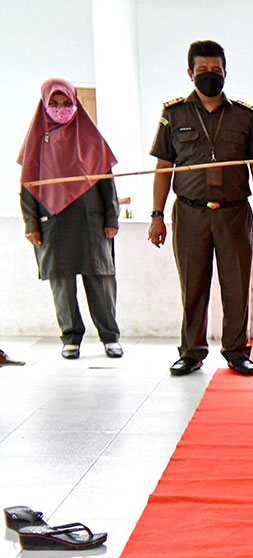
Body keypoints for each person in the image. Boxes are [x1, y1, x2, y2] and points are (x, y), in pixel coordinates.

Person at [148, 40, 253, 377]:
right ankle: (191, 352)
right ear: (190, 73)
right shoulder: (174, 114)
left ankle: (237, 351)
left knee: (236, 286)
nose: (209, 75)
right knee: (193, 286)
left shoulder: (244, 116)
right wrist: (156, 216)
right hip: (190, 213)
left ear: (225, 73)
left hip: (235, 213)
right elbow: (163, 168)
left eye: (216, 70)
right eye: (202, 70)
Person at [18, 78, 122, 361]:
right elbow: (27, 185)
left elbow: (107, 182)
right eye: (54, 103)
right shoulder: (36, 140)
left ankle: (110, 337)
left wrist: (111, 217)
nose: (61, 109)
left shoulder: (90, 136)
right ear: (44, 104)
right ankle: (71, 337)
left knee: (100, 280)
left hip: (91, 221)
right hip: (52, 223)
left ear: (76, 103)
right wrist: (31, 224)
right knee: (61, 283)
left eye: (66, 103)